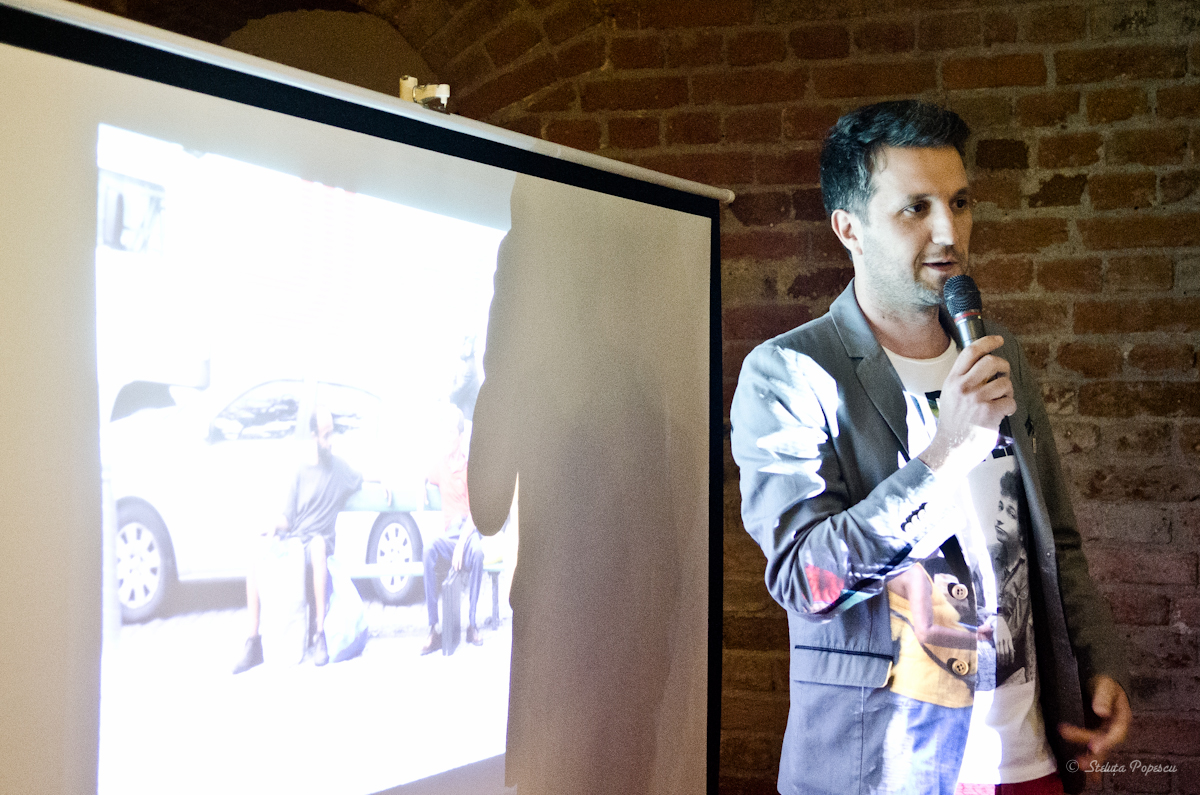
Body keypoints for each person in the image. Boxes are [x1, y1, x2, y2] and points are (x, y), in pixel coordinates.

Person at [730, 100, 1131, 795]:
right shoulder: (791, 372)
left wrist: (1098, 660)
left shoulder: (997, 356)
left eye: (960, 202)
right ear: (849, 229)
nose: (949, 231)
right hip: (887, 769)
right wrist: (947, 452)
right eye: (915, 208)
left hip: (1029, 758)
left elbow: (1055, 540)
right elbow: (806, 579)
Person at [233, 407, 363, 673]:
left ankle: (320, 635)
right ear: (314, 436)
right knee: (256, 552)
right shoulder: (300, 472)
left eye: (332, 434)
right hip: (295, 545)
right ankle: (253, 641)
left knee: (317, 545)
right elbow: (288, 518)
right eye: (326, 436)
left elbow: (362, 476)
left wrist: (383, 479)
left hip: (319, 548)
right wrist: (273, 525)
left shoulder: (338, 469)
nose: (331, 441)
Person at [420, 407, 485, 654]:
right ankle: (433, 628)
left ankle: (472, 624)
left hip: (468, 533)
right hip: (449, 536)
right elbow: (423, 472)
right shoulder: (440, 465)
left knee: (478, 554)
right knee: (428, 549)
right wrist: (421, 485)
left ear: (460, 436)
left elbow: (476, 514)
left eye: (450, 433)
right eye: (444, 433)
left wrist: (461, 544)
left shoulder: (471, 468)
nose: (446, 438)